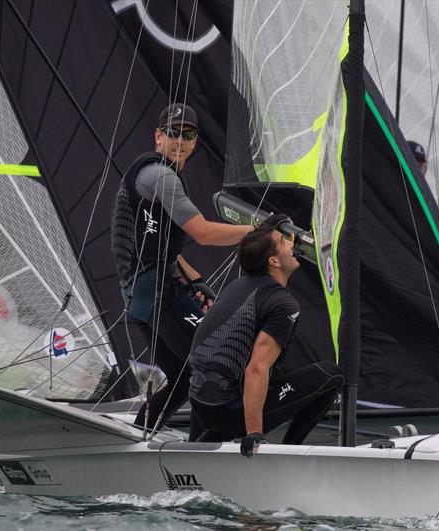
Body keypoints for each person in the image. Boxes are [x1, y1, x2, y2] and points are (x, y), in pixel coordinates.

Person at [111, 103, 253, 433]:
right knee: (217, 360)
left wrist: (194, 281)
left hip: (145, 297)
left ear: (195, 142)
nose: (180, 141)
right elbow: (203, 233)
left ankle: (139, 436)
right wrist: (257, 231)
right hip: (156, 296)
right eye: (174, 133)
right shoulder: (160, 176)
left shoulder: (156, 175)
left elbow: (157, 251)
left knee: (185, 375)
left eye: (188, 135)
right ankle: (203, 448)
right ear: (159, 137)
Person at [187, 218, 344, 456]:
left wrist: (270, 225)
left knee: (281, 371)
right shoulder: (283, 303)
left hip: (200, 405)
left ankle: (201, 443)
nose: (292, 244)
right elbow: (256, 368)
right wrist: (254, 434)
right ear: (273, 261)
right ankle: (291, 452)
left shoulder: (237, 286)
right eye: (284, 241)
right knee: (332, 374)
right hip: (228, 413)